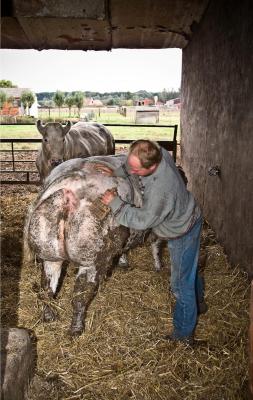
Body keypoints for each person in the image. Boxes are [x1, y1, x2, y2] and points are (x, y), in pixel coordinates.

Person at [100, 140, 206, 344]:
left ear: (152, 167)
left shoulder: (161, 190)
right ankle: (199, 302)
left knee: (180, 285)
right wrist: (117, 172)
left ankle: (183, 335)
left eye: (136, 169)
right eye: (130, 164)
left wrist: (115, 203)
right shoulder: (158, 151)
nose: (132, 170)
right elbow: (133, 164)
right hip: (186, 216)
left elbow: (143, 220)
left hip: (183, 231)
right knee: (189, 271)